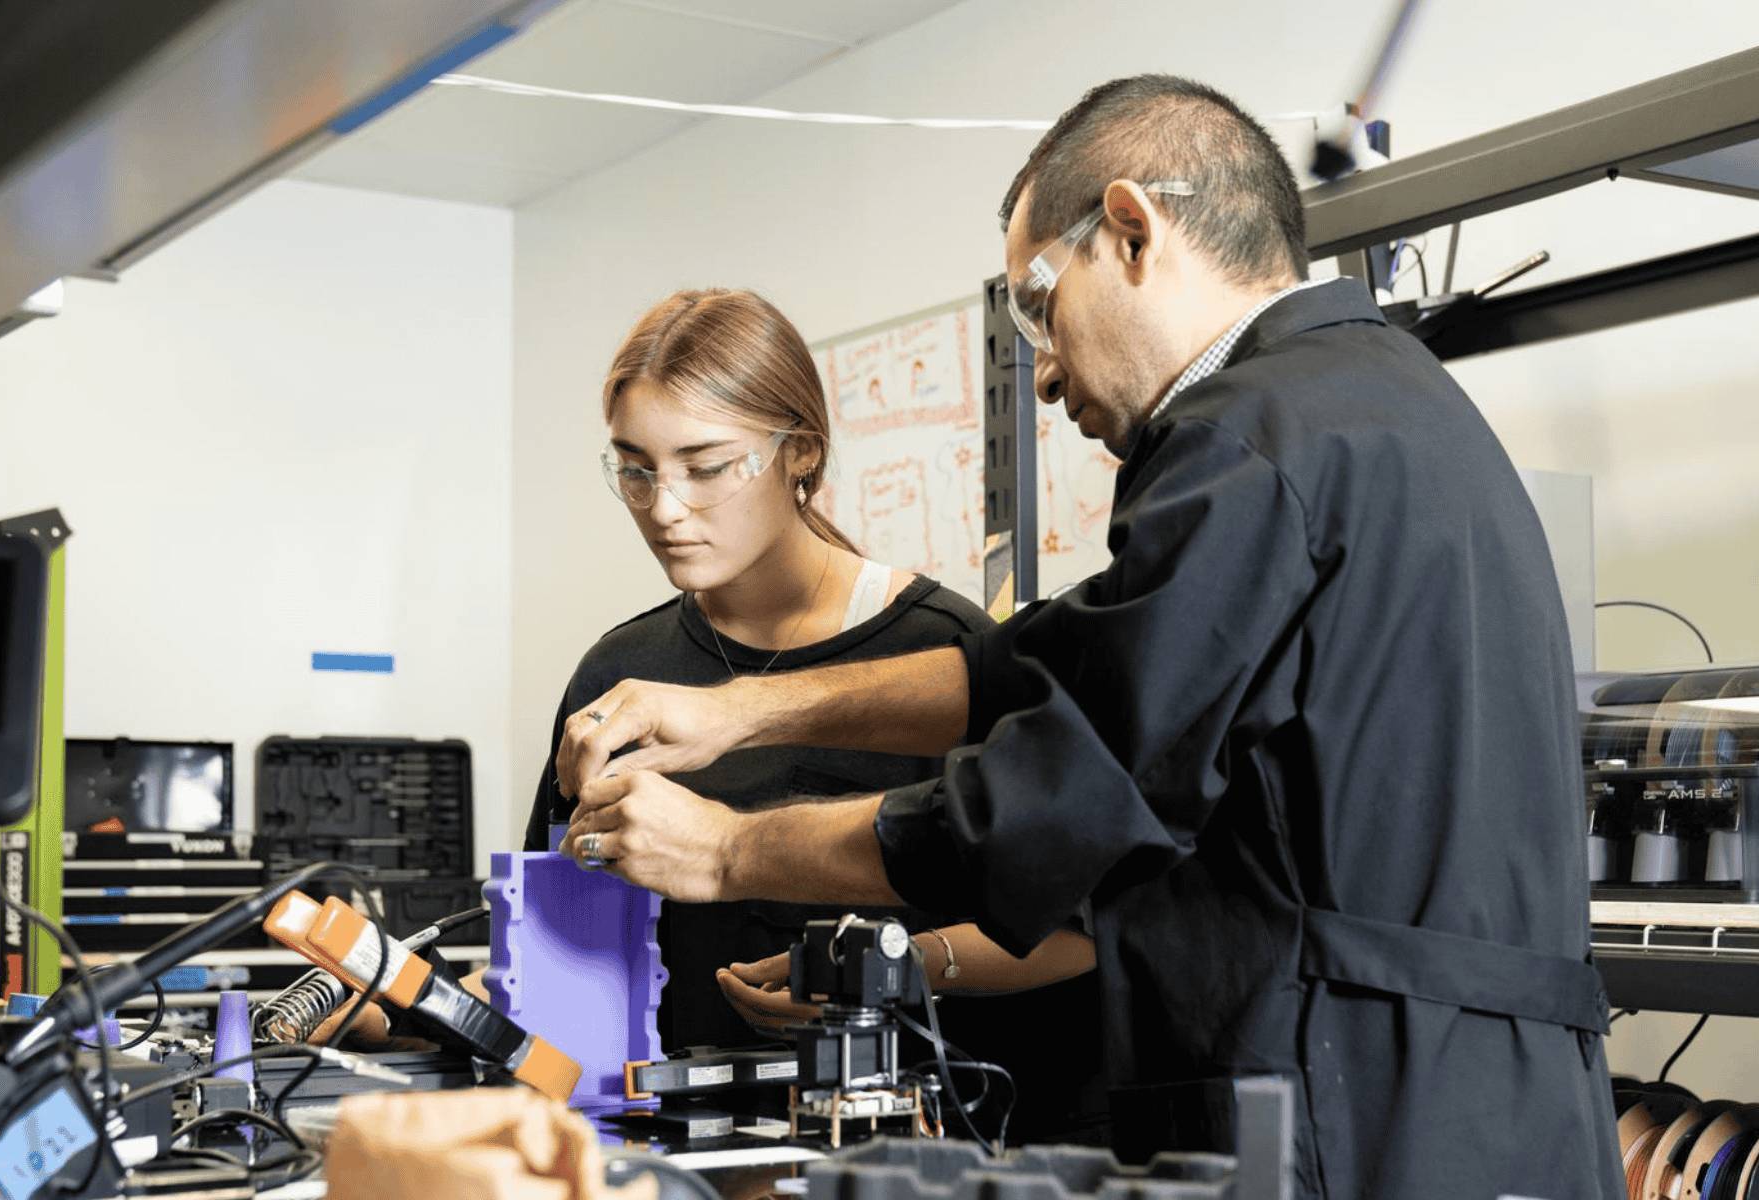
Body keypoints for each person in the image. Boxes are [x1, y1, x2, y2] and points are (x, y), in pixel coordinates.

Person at [553, 79, 1622, 1198]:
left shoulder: (1248, 447)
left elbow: (1042, 812)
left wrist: (726, 851)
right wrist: (744, 709)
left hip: (1360, 1109)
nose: (1047, 370)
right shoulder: (1371, 407)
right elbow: (1059, 663)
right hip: (1483, 1106)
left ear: (1130, 230)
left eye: (1036, 308)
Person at [526, 287, 1108, 1144]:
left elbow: (1079, 931)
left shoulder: (942, 657)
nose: (665, 506)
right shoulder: (620, 674)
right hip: (680, 1151)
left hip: (907, 1155)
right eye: (636, 467)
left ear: (800, 452)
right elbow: (553, 941)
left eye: (706, 465)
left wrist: (888, 977)